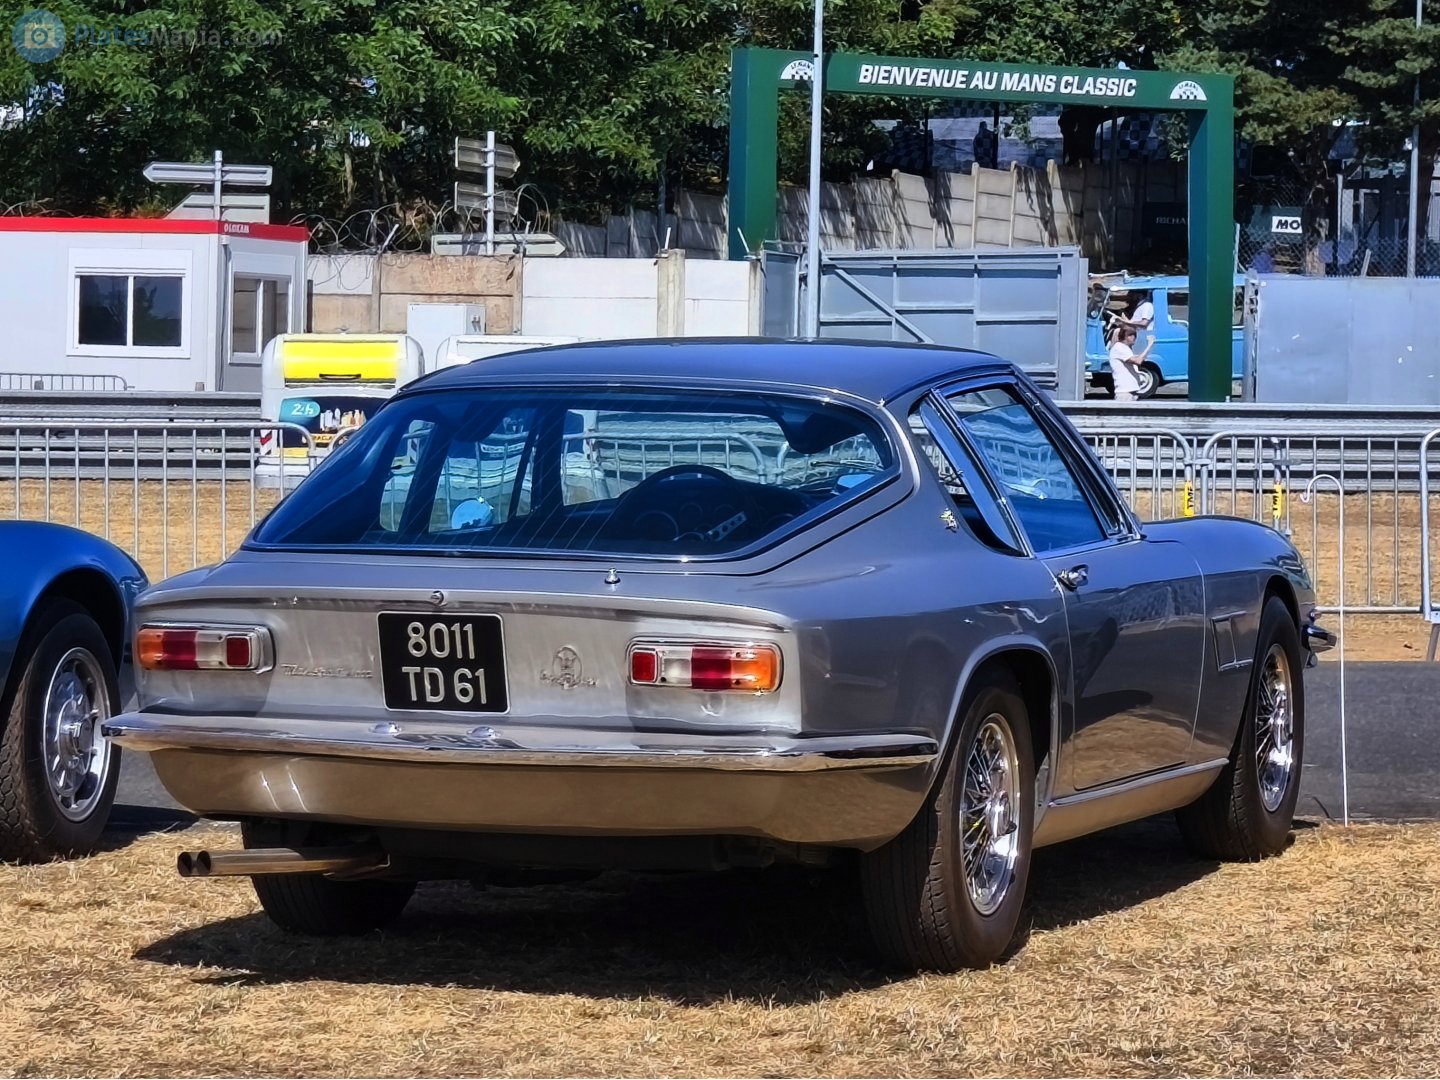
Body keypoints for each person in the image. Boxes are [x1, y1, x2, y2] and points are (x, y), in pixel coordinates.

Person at [1108, 326, 1155, 402]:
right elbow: (1138, 361)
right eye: (1133, 336)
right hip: (1124, 393)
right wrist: (1149, 345)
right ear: (1127, 336)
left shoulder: (1125, 348)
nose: (1134, 338)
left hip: (1131, 391)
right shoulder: (1119, 348)